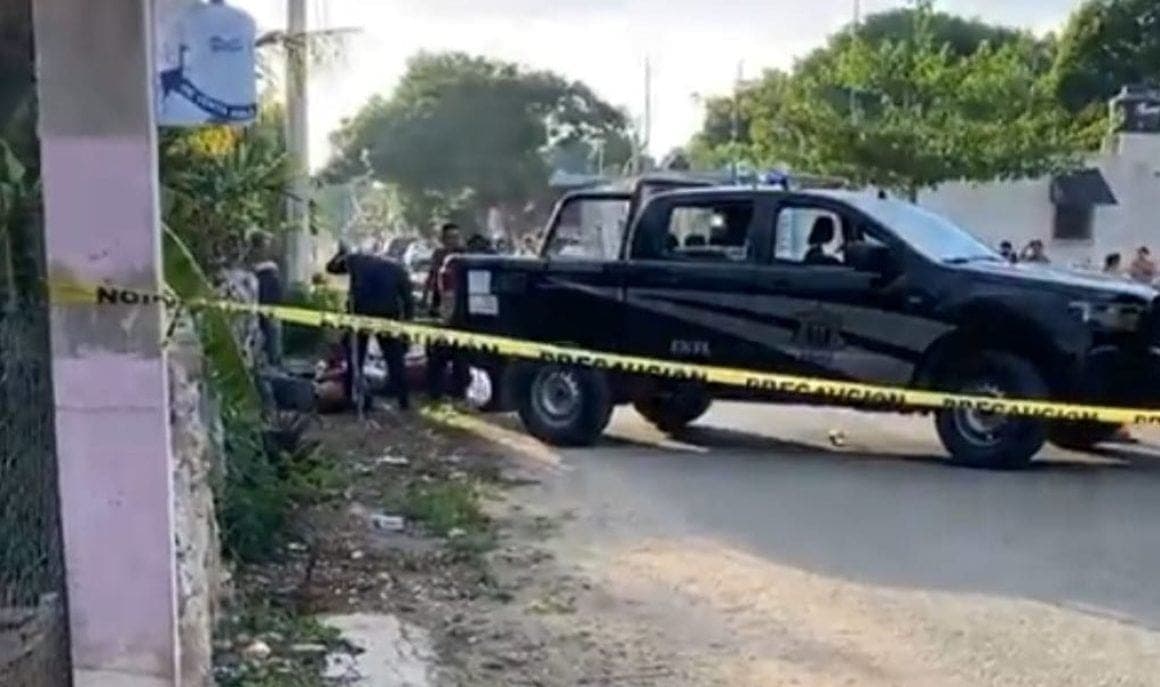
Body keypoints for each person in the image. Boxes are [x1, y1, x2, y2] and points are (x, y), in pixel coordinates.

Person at [325, 242, 414, 411]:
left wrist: (340, 254)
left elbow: (331, 268)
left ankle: (353, 396)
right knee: (394, 358)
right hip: (388, 315)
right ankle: (403, 399)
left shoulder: (356, 260)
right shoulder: (397, 268)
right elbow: (408, 299)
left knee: (355, 358)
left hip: (361, 314)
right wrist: (406, 325)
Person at [422, 222, 470, 400]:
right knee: (435, 354)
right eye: (449, 238)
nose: (453, 241)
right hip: (438, 309)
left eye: (456, 237)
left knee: (460, 355)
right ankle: (434, 392)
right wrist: (425, 301)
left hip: (460, 313)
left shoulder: (464, 257)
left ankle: (459, 392)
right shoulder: (438, 255)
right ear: (442, 239)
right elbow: (431, 278)